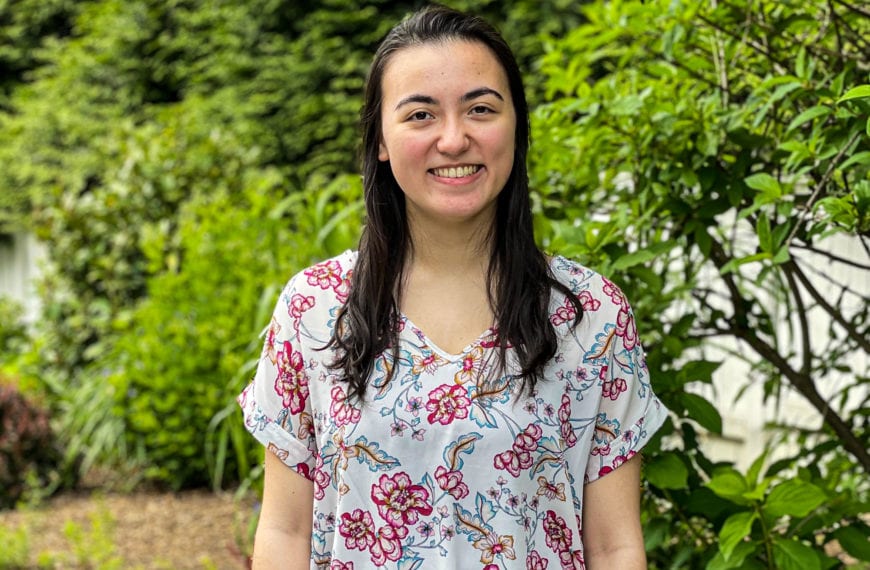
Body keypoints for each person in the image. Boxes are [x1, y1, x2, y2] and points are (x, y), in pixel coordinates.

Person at [238, 5, 669, 569]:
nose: (453, 138)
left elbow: (615, 546)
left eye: (481, 109)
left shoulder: (590, 315)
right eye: (420, 115)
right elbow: (284, 531)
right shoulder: (315, 310)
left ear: (516, 125)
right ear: (381, 141)